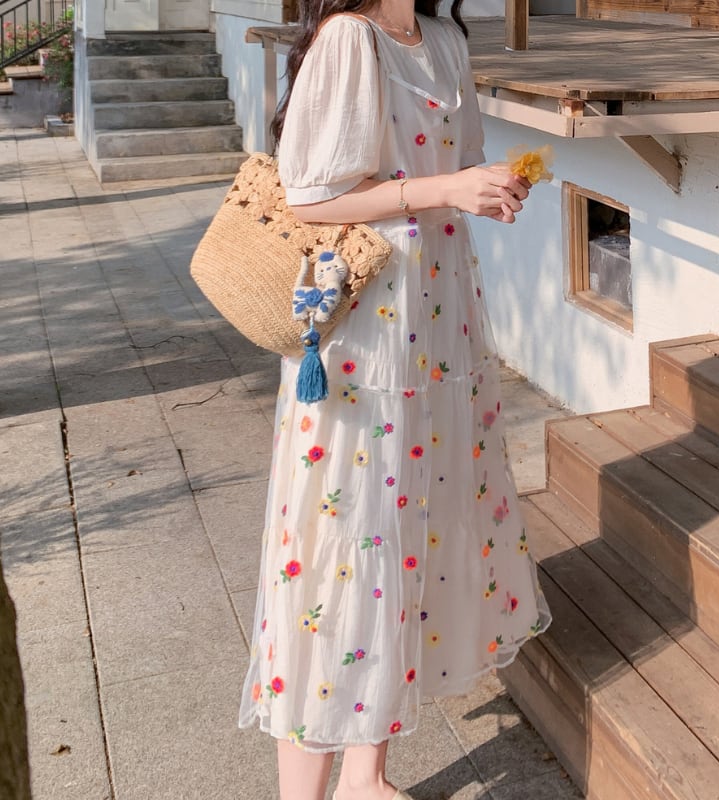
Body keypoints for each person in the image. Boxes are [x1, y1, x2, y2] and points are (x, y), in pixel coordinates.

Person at [239, 2, 552, 799]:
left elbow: (453, 172)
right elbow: (310, 198)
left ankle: (365, 777)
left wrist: (488, 189)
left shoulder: (444, 39)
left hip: (438, 324)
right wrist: (448, 186)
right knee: (344, 543)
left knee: (409, 533)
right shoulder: (350, 38)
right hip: (364, 333)